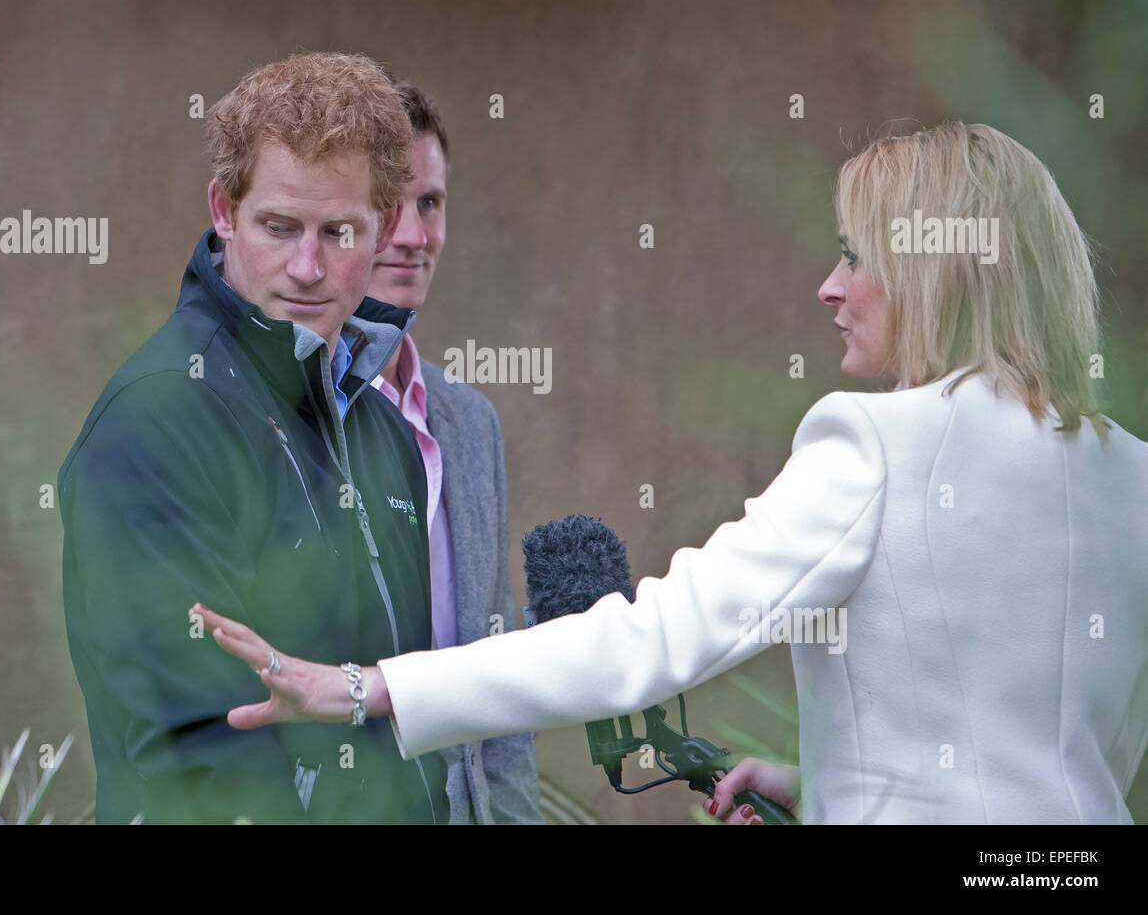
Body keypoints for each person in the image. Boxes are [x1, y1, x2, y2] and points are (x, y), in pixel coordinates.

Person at [191, 121, 1148, 824]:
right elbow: (1060, 766)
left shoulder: (876, 444)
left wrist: (366, 689)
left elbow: (652, 641)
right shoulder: (1131, 475)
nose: (830, 284)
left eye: (857, 256)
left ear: (939, 273)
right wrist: (825, 787)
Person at [60, 52, 447, 823]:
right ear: (224, 210)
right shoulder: (161, 415)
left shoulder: (382, 427)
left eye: (338, 230)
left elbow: (399, 717)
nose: (307, 266)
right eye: (278, 226)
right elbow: (204, 758)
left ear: (384, 226)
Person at [363, 76, 543, 823]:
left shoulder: (470, 423)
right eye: (386, 204)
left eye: (430, 203)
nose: (412, 234)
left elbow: (497, 684)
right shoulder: (279, 411)